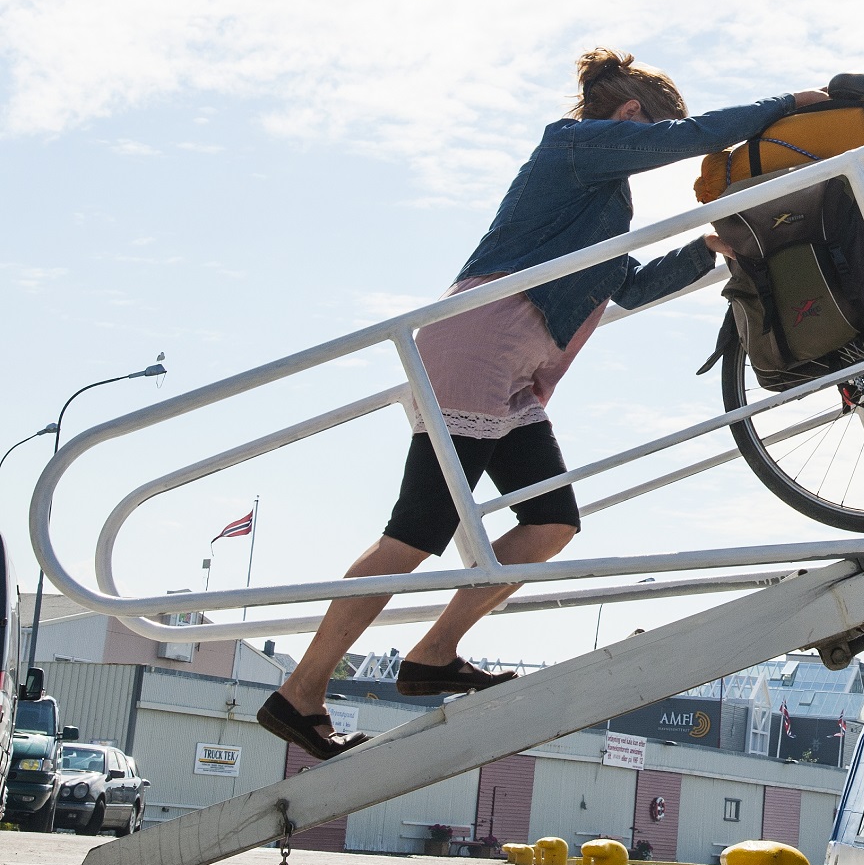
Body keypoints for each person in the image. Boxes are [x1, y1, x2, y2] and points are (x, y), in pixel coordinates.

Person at [259, 49, 828, 759]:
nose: (654, 148)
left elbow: (627, 286)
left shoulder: (598, 204)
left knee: (551, 520)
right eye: (651, 131)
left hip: (511, 367)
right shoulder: (570, 148)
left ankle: (433, 653)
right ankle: (300, 691)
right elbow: (693, 138)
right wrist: (791, 104)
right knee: (416, 529)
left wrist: (708, 249)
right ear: (628, 117)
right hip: (479, 341)